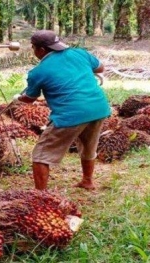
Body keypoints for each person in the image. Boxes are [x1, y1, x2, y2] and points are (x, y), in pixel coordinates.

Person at [13, 30, 111, 190]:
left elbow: (30, 99)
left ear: (41, 50)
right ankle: (88, 181)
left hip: (70, 114)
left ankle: (41, 195)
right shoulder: (79, 53)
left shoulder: (38, 72)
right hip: (98, 108)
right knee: (88, 146)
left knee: (40, 155)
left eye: (33, 48)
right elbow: (100, 68)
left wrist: (18, 98)